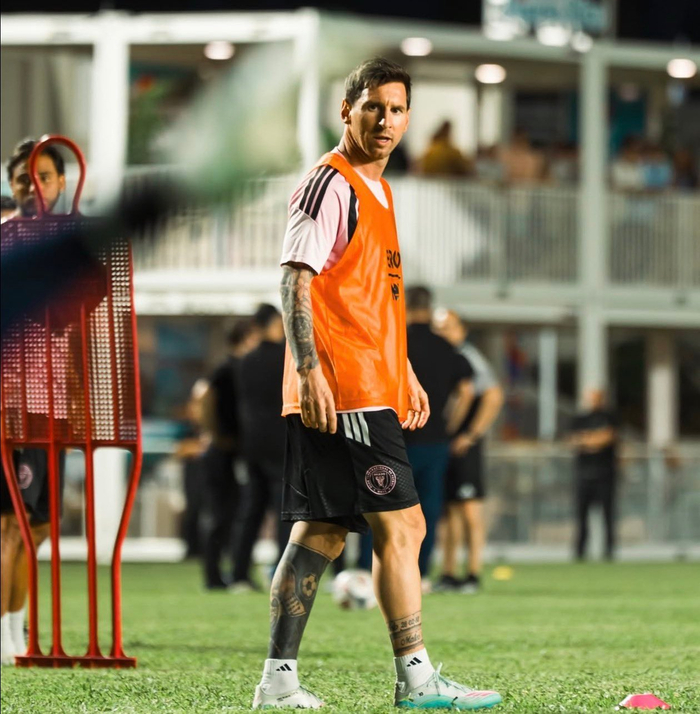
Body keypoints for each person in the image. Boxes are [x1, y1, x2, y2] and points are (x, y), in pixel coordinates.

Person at [252, 57, 501, 710]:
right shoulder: (329, 184)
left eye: (396, 110)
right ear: (347, 111)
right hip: (345, 388)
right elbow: (294, 279)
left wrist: (405, 370)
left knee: (321, 534)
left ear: (408, 118)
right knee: (406, 527)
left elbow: (371, 302)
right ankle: (416, 680)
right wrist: (308, 369)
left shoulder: (380, 192)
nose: (385, 120)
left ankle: (278, 682)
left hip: (368, 383)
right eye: (372, 107)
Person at [1, 138, 69, 665]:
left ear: (61, 182)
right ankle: (4, 635)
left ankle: (14, 627)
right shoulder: (6, 242)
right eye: (24, 178)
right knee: (12, 524)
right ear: (11, 185)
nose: (33, 186)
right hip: (15, 399)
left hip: (56, 405)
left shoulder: (70, 245)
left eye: (43, 176)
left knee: (39, 526)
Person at [357, 287, 474, 589]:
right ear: (430, 308)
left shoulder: (394, 341)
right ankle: (417, 574)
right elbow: (466, 392)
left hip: (391, 438)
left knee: (379, 503)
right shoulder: (446, 347)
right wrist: (449, 426)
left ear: (405, 306)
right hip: (434, 440)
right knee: (427, 509)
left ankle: (366, 571)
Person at [433, 310, 504, 594]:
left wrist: (470, 434)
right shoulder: (446, 357)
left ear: (461, 330)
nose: (443, 333)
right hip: (448, 443)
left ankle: (473, 574)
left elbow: (493, 395)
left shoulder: (468, 357)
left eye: (449, 327)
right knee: (450, 510)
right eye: (439, 328)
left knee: (469, 508)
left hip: (464, 445)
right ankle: (449, 573)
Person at [231, 304, 291, 591]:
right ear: (276, 323)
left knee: (251, 510)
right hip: (282, 443)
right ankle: (282, 574)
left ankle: (239, 574)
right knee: (285, 513)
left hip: (252, 443)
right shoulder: (286, 358)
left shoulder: (246, 361)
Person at [200, 319, 258, 590]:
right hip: (223, 452)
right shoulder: (227, 369)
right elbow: (205, 401)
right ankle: (213, 576)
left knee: (234, 514)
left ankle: (232, 573)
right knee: (221, 515)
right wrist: (216, 435)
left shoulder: (238, 367)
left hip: (233, 450)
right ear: (247, 337)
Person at [568, 388, 619, 561]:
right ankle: (580, 552)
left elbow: (607, 437)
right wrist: (594, 439)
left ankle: (609, 552)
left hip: (605, 474)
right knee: (581, 516)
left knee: (608, 515)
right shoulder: (580, 419)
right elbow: (573, 440)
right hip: (583, 474)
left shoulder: (610, 417)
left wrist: (588, 440)